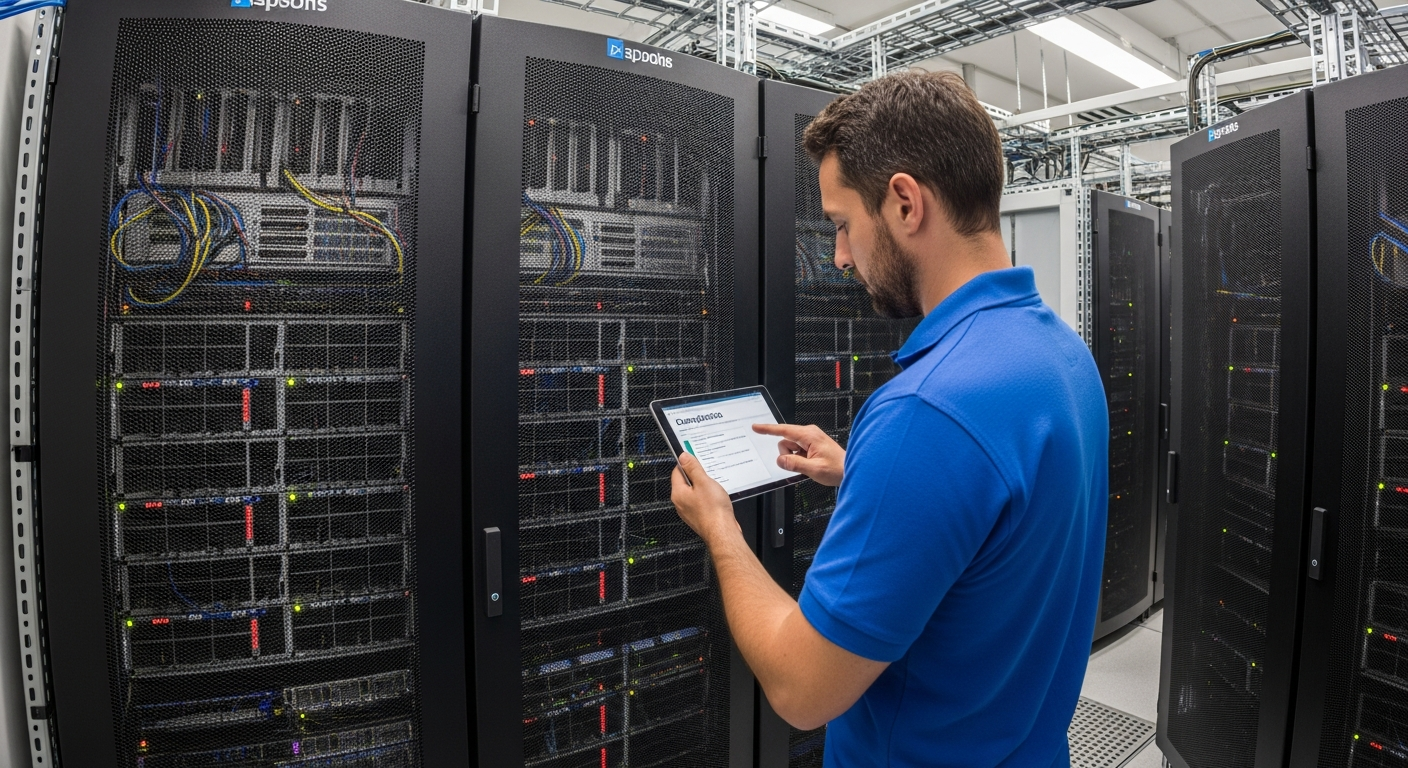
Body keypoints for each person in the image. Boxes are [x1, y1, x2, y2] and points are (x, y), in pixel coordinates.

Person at [669, 70, 1108, 767]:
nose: (840, 256)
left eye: (843, 224)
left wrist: (721, 530)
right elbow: (999, 529)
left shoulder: (925, 413)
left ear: (905, 203)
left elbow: (801, 688)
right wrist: (861, 471)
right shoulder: (1062, 354)